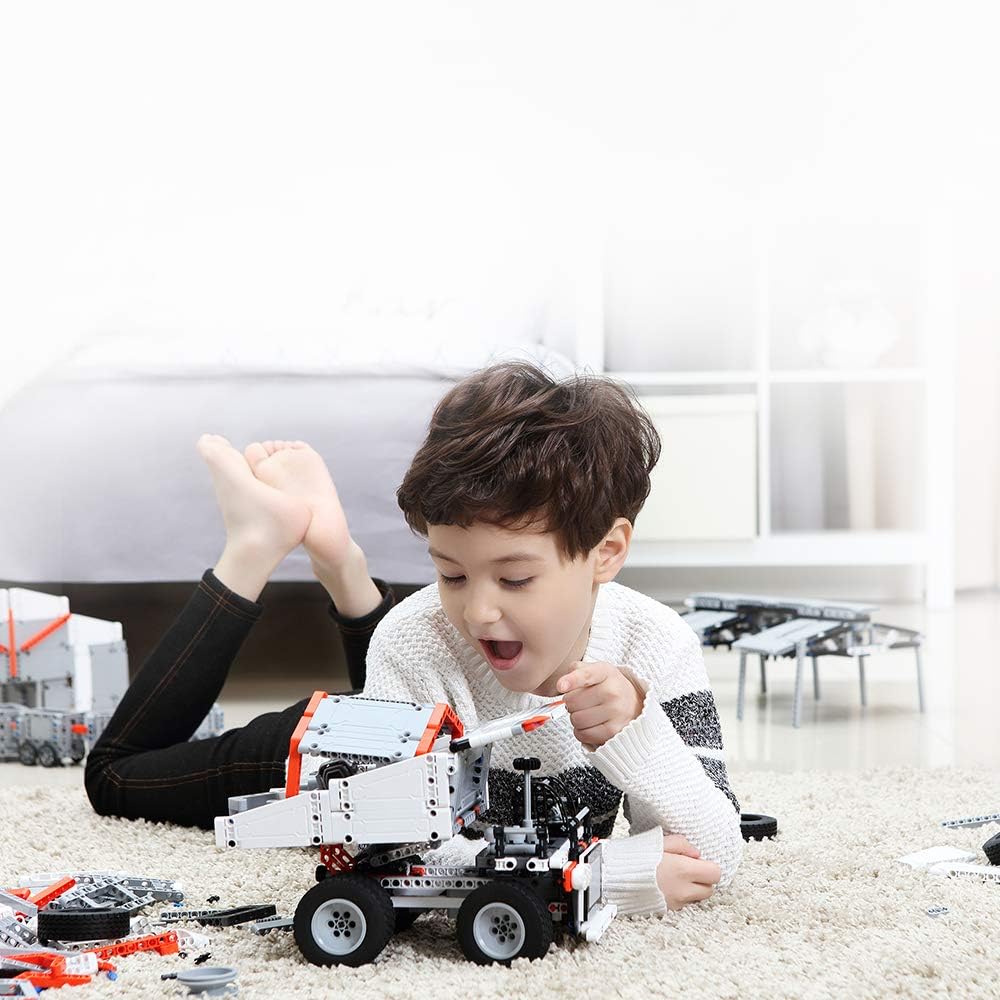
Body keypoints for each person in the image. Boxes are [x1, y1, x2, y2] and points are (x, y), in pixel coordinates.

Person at [85, 360, 743, 915]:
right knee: (114, 775)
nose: (480, 610)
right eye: (449, 572)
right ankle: (261, 543)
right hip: (341, 748)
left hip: (413, 707)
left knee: (428, 645)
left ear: (607, 552)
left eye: (514, 579)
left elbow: (714, 850)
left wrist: (637, 729)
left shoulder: (657, 644)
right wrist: (599, 876)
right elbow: (396, 858)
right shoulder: (418, 637)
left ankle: (339, 559)